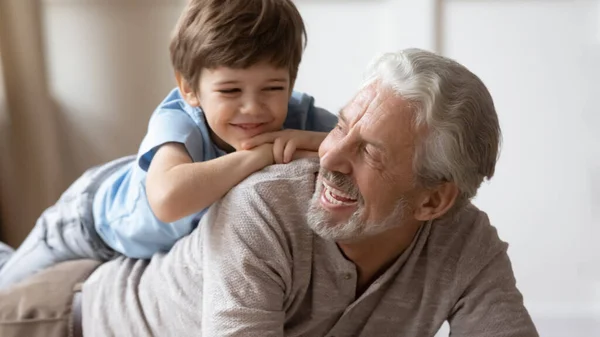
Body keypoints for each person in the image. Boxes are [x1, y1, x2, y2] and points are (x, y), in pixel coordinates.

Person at [0, 48, 539, 337]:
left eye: (370, 152)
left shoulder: (466, 245)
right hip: (68, 318)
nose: (328, 155)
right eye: (340, 127)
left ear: (433, 201)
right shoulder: (263, 205)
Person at [0, 0, 337, 288]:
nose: (252, 107)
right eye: (230, 91)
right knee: (8, 289)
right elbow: (167, 200)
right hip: (88, 224)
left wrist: (304, 140)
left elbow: (365, 148)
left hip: (141, 246)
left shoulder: (299, 116)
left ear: (291, 81)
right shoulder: (178, 117)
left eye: (273, 89)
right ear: (189, 88)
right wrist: (261, 155)